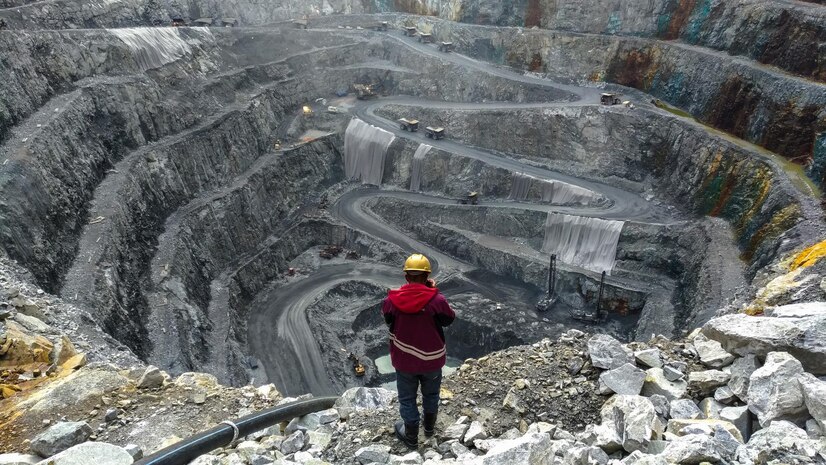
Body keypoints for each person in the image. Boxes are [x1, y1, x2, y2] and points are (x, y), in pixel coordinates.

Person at [382, 253, 456, 448]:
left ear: (406, 276)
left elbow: (388, 319)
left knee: (407, 399)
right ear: (426, 277)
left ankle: (411, 437)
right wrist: (432, 292)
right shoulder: (437, 300)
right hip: (432, 361)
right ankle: (429, 429)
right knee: (431, 395)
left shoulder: (392, 300)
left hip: (404, 361)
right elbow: (448, 319)